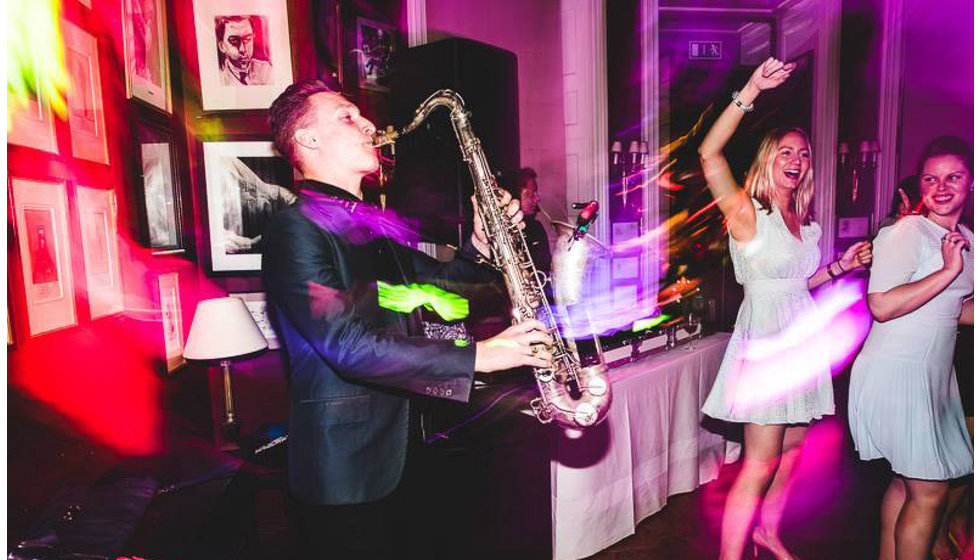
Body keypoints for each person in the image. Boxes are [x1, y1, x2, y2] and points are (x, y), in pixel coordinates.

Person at [262, 79, 553, 558]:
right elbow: (348, 346)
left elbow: (446, 292)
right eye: (346, 116)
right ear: (307, 140)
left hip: (408, 455)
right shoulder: (295, 229)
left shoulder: (368, 224)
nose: (368, 124)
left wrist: (483, 245)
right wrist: (478, 356)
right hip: (347, 478)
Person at [698, 58, 873, 560]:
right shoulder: (748, 214)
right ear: (767, 160)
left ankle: (767, 531)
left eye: (804, 153)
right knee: (759, 464)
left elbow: (799, 284)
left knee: (792, 453)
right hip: (768, 347)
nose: (796, 160)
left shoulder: (805, 224)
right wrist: (751, 86)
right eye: (785, 152)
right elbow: (710, 153)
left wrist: (839, 267)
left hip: (801, 343)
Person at [848, 135, 974, 560]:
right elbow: (881, 305)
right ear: (919, 185)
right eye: (930, 178)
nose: (941, 187)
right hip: (896, 374)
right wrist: (948, 269)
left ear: (971, 182)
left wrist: (956, 269)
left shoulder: (968, 238)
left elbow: (955, 312)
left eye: (953, 177)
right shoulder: (907, 232)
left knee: (907, 484)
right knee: (931, 490)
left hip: (935, 379)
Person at [216, 16, 272, 86]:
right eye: (234, 41)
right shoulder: (219, 80)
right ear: (222, 46)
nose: (243, 49)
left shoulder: (266, 71)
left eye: (247, 39)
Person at [517, 167, 553, 276]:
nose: (537, 199)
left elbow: (546, 268)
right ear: (515, 196)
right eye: (531, 194)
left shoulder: (537, 228)